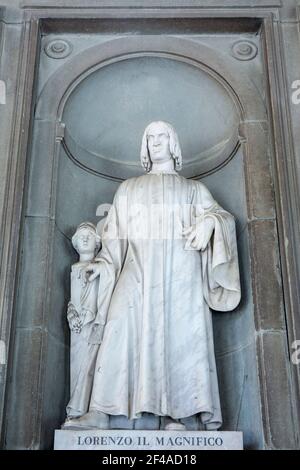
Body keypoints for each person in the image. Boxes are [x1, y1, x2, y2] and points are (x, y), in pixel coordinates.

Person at [70, 121, 241, 431]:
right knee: (117, 330)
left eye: (163, 135)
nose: (156, 141)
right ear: (144, 144)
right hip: (135, 272)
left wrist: (210, 224)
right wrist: (103, 265)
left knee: (181, 340)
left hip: (182, 277)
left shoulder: (193, 189)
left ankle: (178, 415)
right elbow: (113, 240)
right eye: (150, 136)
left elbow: (222, 218)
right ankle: (100, 410)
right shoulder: (128, 188)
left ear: (174, 142)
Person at [62, 222, 104, 428]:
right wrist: (72, 314)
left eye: (89, 235)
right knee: (78, 364)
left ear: (97, 243)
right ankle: (76, 409)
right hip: (78, 327)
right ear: (76, 244)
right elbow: (73, 299)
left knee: (93, 365)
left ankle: (87, 408)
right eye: (81, 236)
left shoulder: (102, 268)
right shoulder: (75, 269)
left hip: (94, 323)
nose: (85, 238)